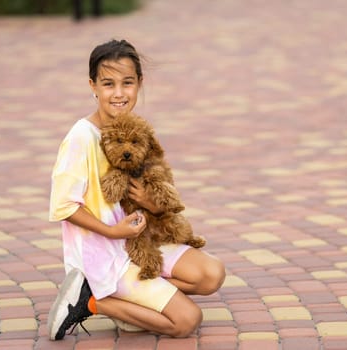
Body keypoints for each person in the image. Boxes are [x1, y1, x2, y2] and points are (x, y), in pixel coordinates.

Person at [47, 39, 226, 341]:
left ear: (139, 84)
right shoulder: (81, 137)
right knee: (187, 320)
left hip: (139, 243)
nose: (118, 93)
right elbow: (63, 206)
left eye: (127, 83)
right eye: (108, 84)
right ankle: (92, 301)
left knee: (212, 274)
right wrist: (114, 232)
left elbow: (158, 192)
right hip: (106, 257)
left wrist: (153, 206)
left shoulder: (134, 130)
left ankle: (133, 301)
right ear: (92, 86)